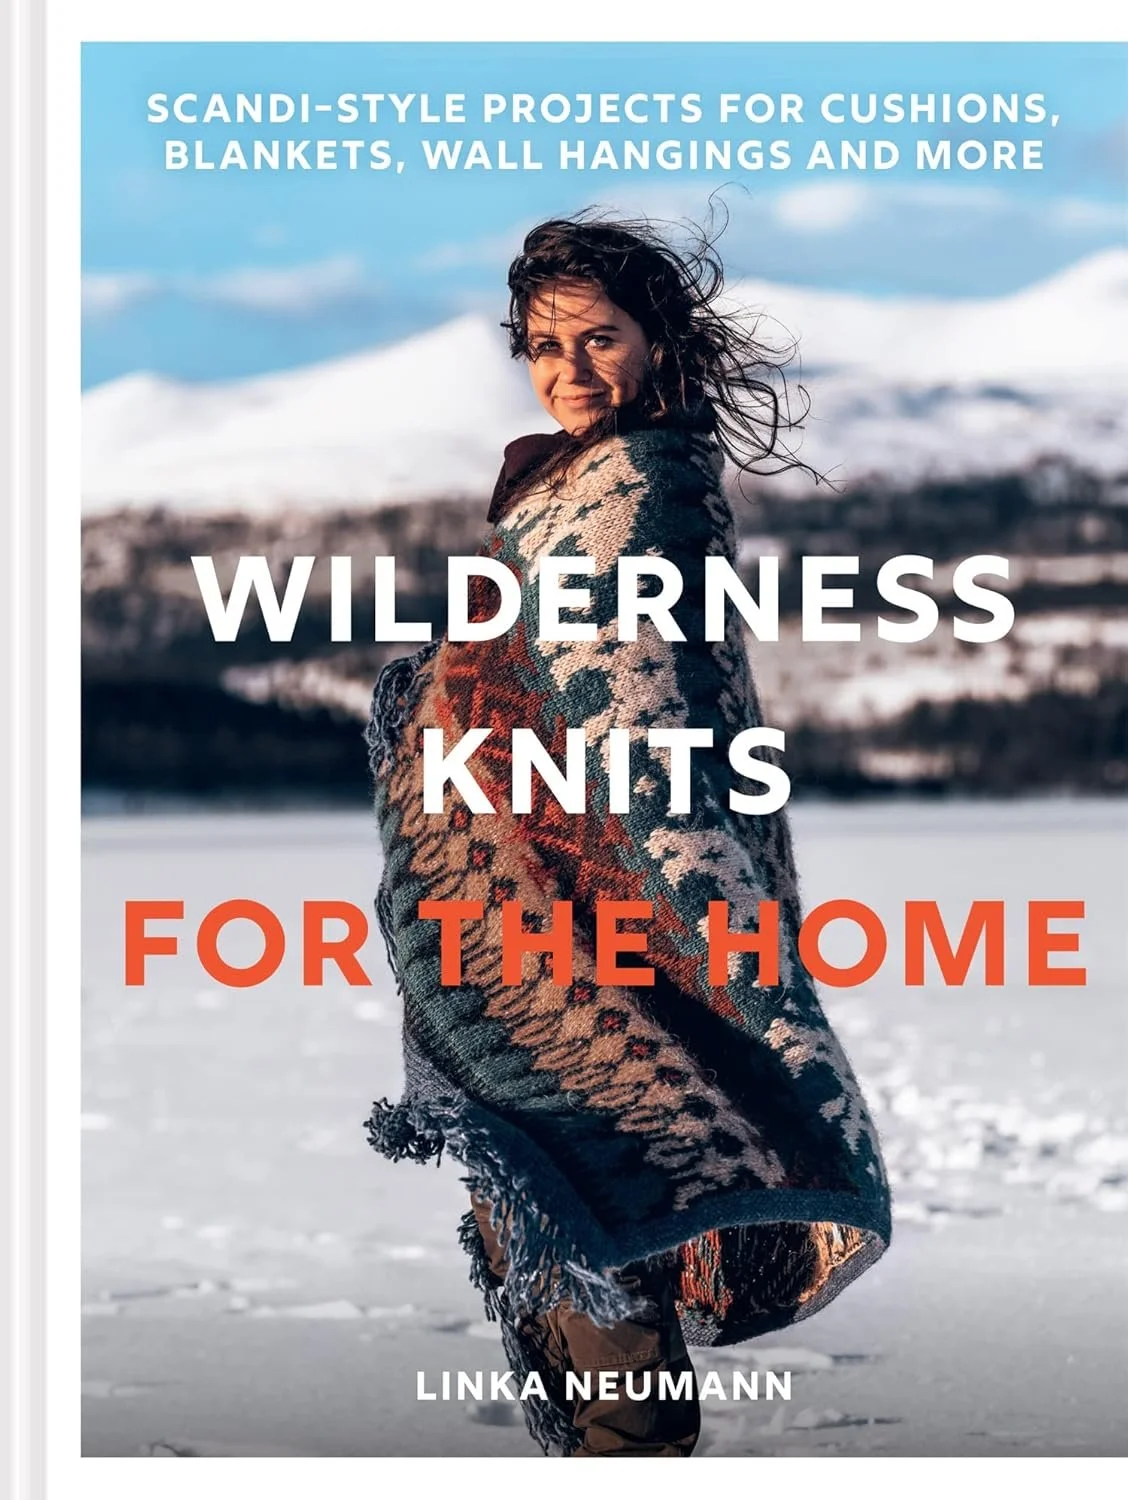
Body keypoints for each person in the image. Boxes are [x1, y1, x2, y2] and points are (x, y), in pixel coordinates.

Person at [365, 213, 891, 1459]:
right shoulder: (565, 482)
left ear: (658, 342)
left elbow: (656, 699)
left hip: (636, 882)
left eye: (598, 337)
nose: (570, 369)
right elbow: (551, 668)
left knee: (610, 1152)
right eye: (544, 346)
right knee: (572, 1170)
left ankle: (627, 1442)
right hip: (541, 880)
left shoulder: (653, 484)